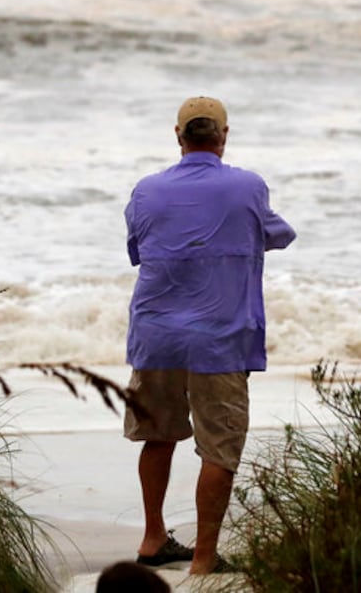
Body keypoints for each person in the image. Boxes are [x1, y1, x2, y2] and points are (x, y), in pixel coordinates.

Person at [122, 95, 296, 575]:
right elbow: (280, 235)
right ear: (223, 136)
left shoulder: (146, 191)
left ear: (178, 136)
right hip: (220, 338)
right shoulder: (247, 186)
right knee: (218, 447)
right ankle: (202, 559)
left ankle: (153, 538)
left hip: (156, 334)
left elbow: (138, 249)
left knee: (157, 436)